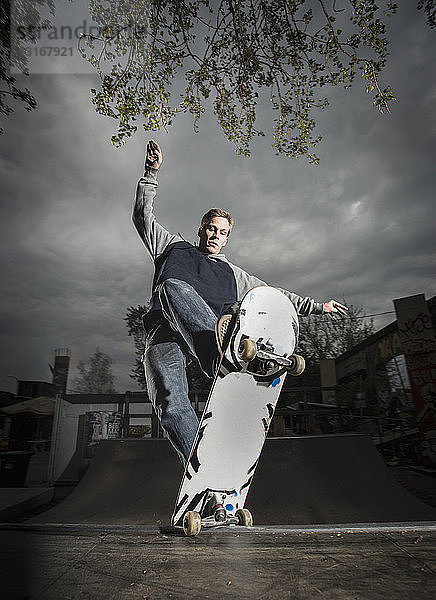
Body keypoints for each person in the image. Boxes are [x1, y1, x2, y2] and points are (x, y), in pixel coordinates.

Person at [133, 140, 347, 465]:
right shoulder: (172, 247)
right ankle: (203, 470)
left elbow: (276, 296)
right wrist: (152, 172)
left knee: (173, 288)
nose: (215, 234)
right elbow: (142, 216)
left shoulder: (237, 276)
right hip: (164, 335)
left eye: (222, 231)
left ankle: (219, 354)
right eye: (210, 228)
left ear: (227, 237)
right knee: (168, 400)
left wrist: (319, 306)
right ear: (201, 229)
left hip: (211, 339)